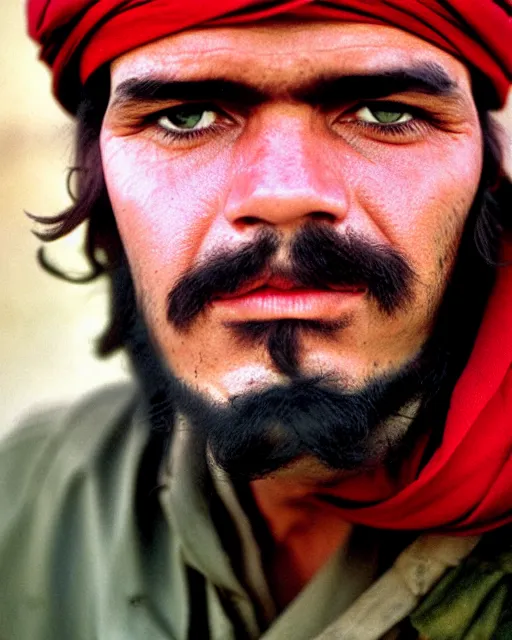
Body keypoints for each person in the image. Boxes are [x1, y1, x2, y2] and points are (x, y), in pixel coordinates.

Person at [1, 1, 511, 638]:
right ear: (101, 188)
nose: (283, 193)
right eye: (185, 116)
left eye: (386, 113)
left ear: (487, 179)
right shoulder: (27, 496)